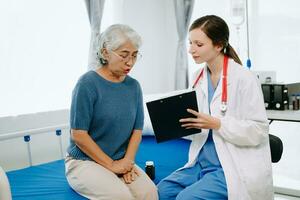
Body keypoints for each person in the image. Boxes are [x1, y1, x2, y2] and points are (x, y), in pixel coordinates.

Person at [157, 15, 273, 200]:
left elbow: (259, 130)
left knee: (185, 198)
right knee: (159, 193)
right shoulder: (198, 77)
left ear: (218, 45)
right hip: (201, 162)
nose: (191, 50)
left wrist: (218, 124)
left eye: (198, 44)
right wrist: (173, 123)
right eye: (190, 43)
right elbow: (197, 124)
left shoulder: (244, 78)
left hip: (231, 166)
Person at [65, 24, 158, 200]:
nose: (130, 62)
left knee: (150, 193)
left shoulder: (133, 86)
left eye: (135, 55)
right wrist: (112, 165)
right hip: (84, 162)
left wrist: (127, 163)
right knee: (120, 196)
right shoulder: (87, 84)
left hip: (121, 160)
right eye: (124, 55)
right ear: (105, 52)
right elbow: (78, 135)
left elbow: (137, 131)